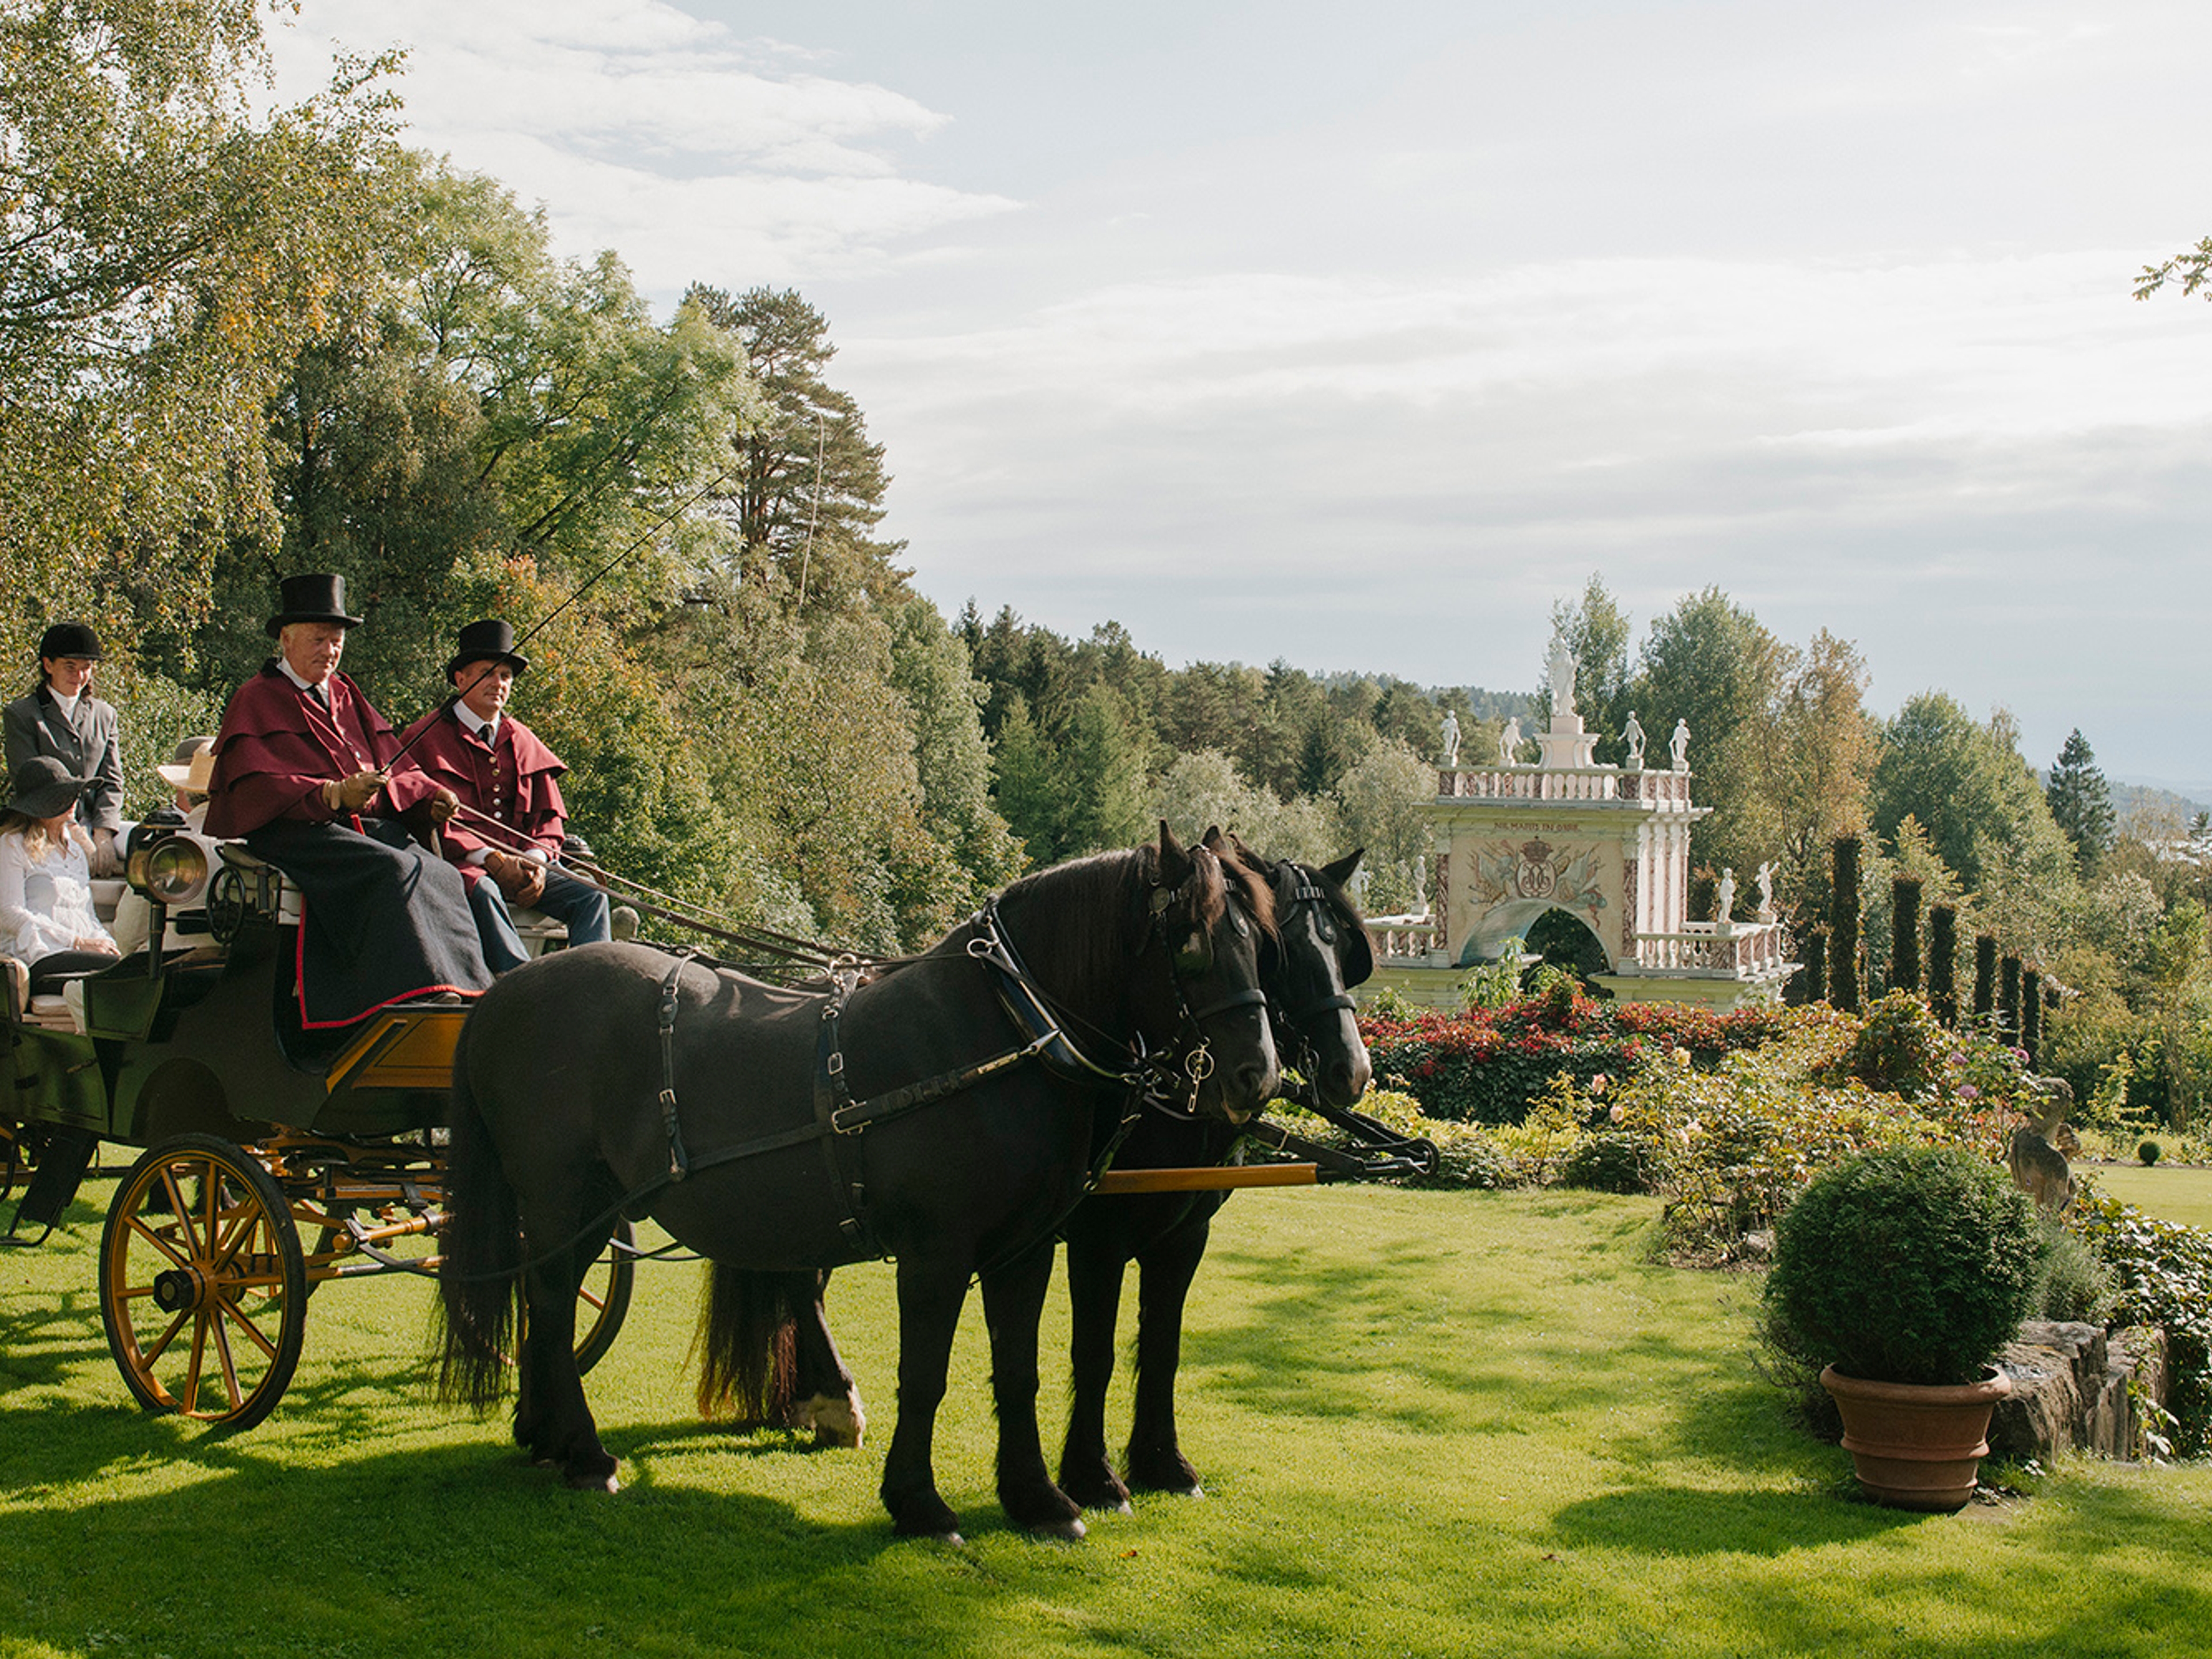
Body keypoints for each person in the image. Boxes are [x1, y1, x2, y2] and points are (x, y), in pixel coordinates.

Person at [203, 573, 493, 1028]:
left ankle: (462, 990)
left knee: (442, 872)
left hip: (361, 831)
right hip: (295, 833)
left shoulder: (345, 693)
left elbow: (395, 765)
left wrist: (428, 798)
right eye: (319, 639)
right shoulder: (255, 698)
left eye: (336, 641)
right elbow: (259, 788)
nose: (329, 650)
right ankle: (409, 996)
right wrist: (331, 795)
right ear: (286, 639)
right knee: (393, 869)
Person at [397, 619, 611, 970]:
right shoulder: (423, 738)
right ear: (460, 678)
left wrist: (536, 864)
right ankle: (518, 986)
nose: (498, 684)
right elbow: (418, 817)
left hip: (524, 866)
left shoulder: (523, 739)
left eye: (505, 676)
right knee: (485, 892)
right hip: (460, 868)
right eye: (487, 673)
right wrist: (491, 860)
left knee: (591, 895)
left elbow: (548, 818)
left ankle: (593, 985)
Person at [4, 622, 124, 875]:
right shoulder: (23, 715)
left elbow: (112, 781)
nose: (79, 677)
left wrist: (103, 834)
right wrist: (77, 835)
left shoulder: (105, 714)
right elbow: (30, 785)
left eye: (86, 669)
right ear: (48, 665)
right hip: (44, 824)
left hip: (96, 824)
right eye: (70, 667)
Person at [0, 756, 120, 995]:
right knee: (121, 973)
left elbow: (87, 915)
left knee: (131, 968)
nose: (73, 800)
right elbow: (9, 914)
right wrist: (78, 942)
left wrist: (106, 943)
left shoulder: (76, 851)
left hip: (79, 955)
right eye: (60, 796)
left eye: (73, 793)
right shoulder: (12, 844)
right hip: (39, 957)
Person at [109, 735, 219, 957]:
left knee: (72, 990)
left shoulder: (163, 847)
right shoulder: (253, 847)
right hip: (239, 975)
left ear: (187, 791)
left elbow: (127, 936)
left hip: (169, 973)